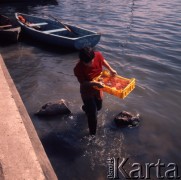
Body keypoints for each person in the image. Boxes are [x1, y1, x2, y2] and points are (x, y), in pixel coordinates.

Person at [74, 47, 117, 135]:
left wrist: (110, 69)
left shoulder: (97, 54)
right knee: (93, 114)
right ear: (82, 61)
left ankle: (86, 108)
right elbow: (83, 83)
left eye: (91, 61)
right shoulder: (78, 68)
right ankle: (92, 135)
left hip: (98, 87)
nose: (90, 64)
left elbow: (103, 60)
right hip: (87, 91)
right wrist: (95, 84)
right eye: (87, 63)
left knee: (99, 107)